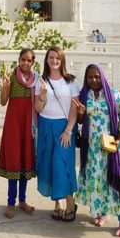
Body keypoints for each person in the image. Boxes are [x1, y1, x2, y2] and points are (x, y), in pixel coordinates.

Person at [76, 64, 120, 238]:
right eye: (90, 77)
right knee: (99, 181)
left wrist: (117, 143)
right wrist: (80, 112)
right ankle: (103, 213)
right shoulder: (84, 96)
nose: (93, 80)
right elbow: (81, 121)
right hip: (93, 150)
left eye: (96, 76)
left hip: (111, 149)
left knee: (118, 182)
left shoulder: (113, 95)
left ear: (102, 76)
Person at [34, 46, 80, 222]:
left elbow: (75, 107)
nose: (54, 61)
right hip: (46, 126)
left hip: (64, 128)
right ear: (46, 60)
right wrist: (42, 95)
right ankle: (57, 204)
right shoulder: (42, 81)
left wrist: (69, 130)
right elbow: (37, 109)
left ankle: (70, 203)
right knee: (48, 165)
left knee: (62, 165)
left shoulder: (70, 81)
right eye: (51, 57)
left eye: (57, 58)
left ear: (62, 61)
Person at [0, 48, 37, 219]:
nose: (26, 63)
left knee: (25, 160)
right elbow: (3, 101)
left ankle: (22, 201)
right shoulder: (11, 76)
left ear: (33, 62)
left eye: (29, 60)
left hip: (28, 125)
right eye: (23, 59)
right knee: (13, 160)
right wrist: (5, 87)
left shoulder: (36, 80)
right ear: (18, 60)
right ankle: (10, 203)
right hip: (13, 124)